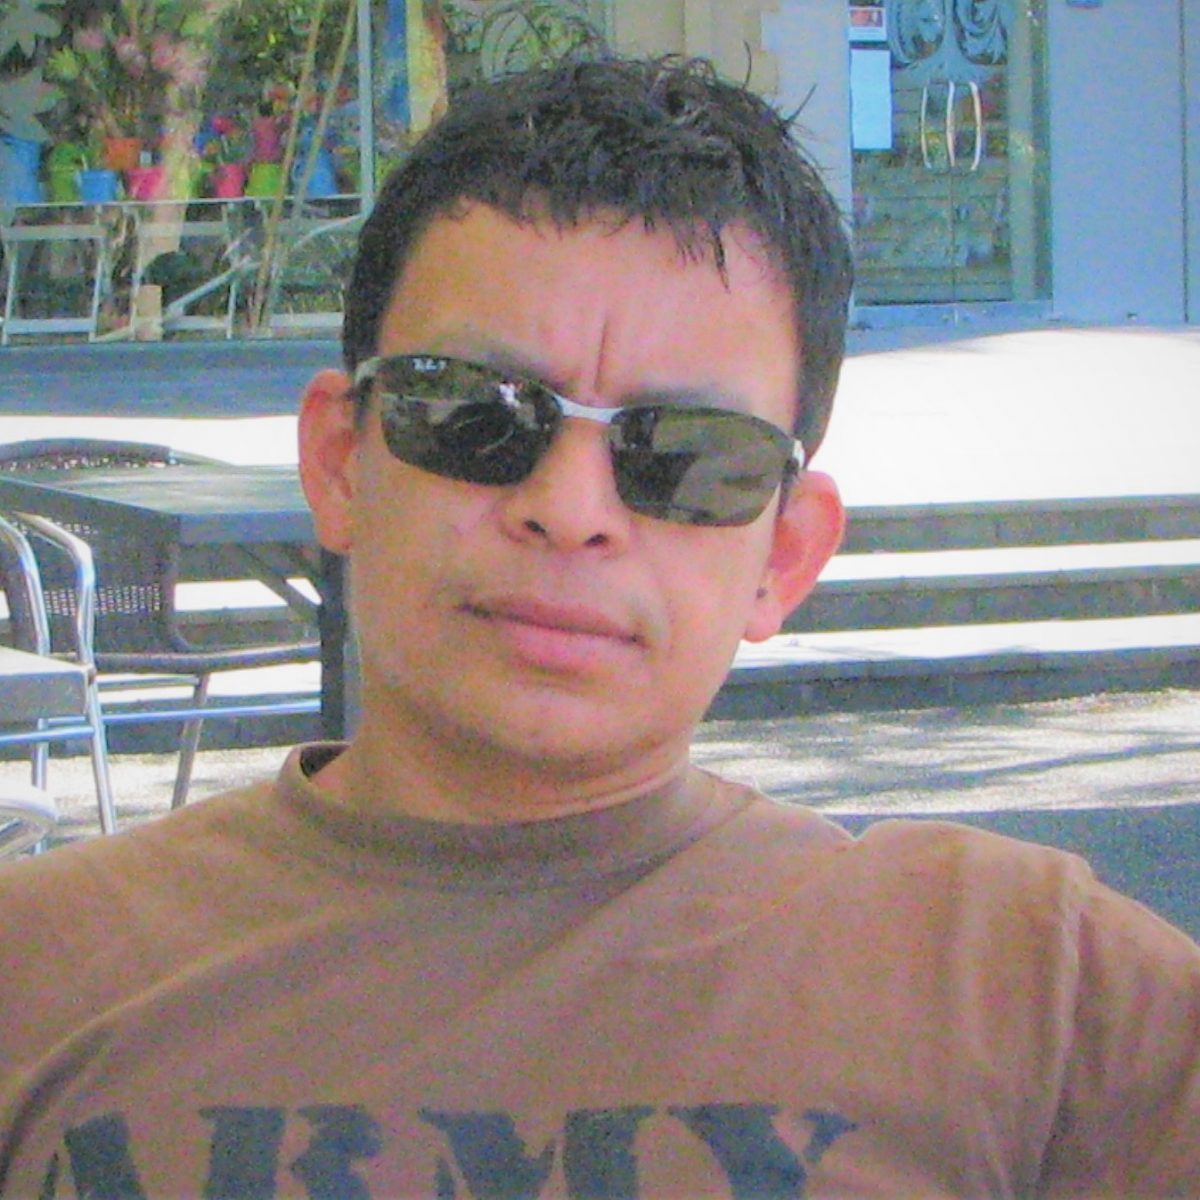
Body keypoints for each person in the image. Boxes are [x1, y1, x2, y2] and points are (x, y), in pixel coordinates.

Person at [2, 55, 1199, 1199]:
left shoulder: (1040, 996)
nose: (570, 511)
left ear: (785, 554)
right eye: (474, 412)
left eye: (687, 455)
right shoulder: (37, 972)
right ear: (340, 461)